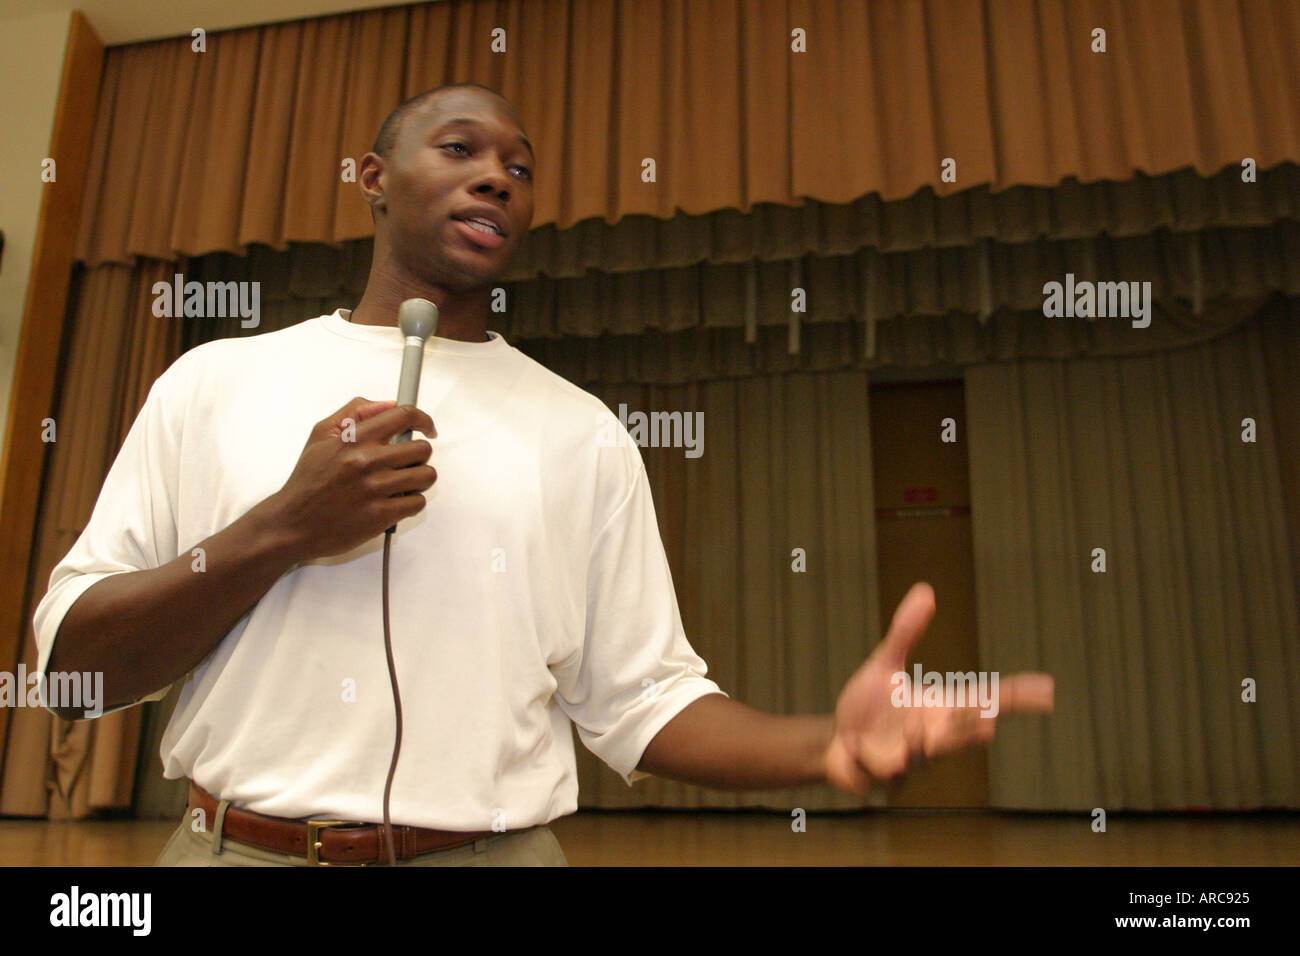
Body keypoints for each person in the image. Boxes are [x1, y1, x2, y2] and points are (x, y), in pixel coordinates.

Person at [33, 83, 1054, 867]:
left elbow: (642, 699)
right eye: (462, 149)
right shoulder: (213, 381)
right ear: (372, 176)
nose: (497, 178)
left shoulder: (582, 431)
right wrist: (279, 530)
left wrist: (822, 740)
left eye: (519, 169)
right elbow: (74, 667)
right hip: (232, 852)